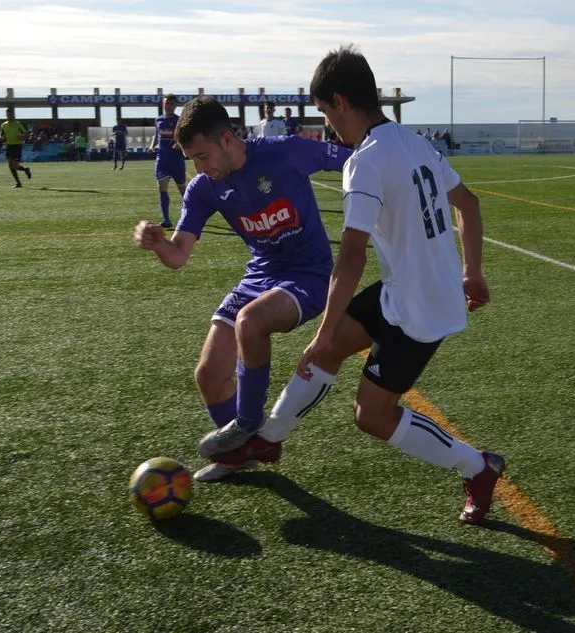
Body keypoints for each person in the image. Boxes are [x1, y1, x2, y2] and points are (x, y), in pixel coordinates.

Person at [199, 45, 504, 525]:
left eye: (324, 111)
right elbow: (469, 203)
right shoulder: (416, 142)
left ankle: (478, 466)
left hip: (420, 308)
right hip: (407, 289)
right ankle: (266, 440)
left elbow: (353, 254)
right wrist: (472, 270)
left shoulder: (363, 161)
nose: (327, 125)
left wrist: (323, 327)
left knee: (371, 415)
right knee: (329, 351)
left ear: (341, 102)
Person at [132, 95, 350, 482]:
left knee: (250, 322)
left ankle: (249, 427)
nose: (199, 168)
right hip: (260, 276)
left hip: (310, 275)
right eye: (192, 160)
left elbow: (353, 160)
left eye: (202, 156)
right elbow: (179, 254)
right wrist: (157, 244)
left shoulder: (287, 152)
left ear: (227, 140)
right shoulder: (203, 188)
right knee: (209, 375)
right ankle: (237, 458)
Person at [147, 94, 187, 229]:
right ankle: (166, 220)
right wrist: (152, 146)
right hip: (162, 160)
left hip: (176, 160)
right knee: (161, 189)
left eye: (171, 104)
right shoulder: (158, 120)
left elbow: (185, 136)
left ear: (175, 106)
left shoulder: (180, 120)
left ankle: (192, 214)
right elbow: (156, 135)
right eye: (166, 103)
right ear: (163, 105)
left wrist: (179, 143)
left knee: (183, 190)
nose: (168, 106)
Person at [0, 107, 32, 188]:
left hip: (17, 146)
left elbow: (26, 134)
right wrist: (0, 137)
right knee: (10, 165)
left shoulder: (18, 124)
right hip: (9, 146)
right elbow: (0, 134)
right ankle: (18, 183)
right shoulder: (4, 125)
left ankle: (26, 170)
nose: (9, 115)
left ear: (13, 114)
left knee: (15, 166)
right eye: (8, 114)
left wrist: (23, 137)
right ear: (6, 115)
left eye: (11, 114)